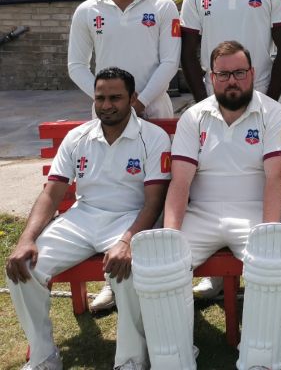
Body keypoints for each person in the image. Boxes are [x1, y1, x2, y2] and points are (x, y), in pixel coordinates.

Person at [131, 40, 281, 370]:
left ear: (251, 74)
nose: (231, 81)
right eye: (223, 74)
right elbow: (180, 183)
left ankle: (257, 359)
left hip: (253, 211)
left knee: (271, 259)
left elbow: (275, 177)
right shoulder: (194, 116)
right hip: (203, 213)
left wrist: (267, 232)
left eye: (239, 73)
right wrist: (171, 236)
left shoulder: (272, 113)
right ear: (210, 77)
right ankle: (175, 359)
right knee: (162, 262)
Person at [6, 67, 171, 370]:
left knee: (128, 269)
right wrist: (26, 239)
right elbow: (51, 194)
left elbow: (153, 202)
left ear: (133, 98)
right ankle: (44, 357)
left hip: (129, 219)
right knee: (22, 266)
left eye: (116, 98)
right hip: (82, 218)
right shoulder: (77, 137)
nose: (107, 105)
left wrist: (127, 241)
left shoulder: (153, 137)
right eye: (101, 98)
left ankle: (132, 359)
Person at [180, 0, 281, 298]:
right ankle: (215, 277)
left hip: (259, 104)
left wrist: (272, 99)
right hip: (215, 103)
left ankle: (266, 263)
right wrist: (204, 102)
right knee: (214, 181)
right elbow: (188, 52)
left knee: (258, 179)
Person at [67, 0, 181, 312]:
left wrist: (141, 101)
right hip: (108, 119)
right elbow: (76, 66)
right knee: (114, 192)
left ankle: (155, 274)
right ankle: (113, 282)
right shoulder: (88, 11)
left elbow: (170, 60)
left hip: (155, 114)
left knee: (152, 195)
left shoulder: (163, 7)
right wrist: (109, 102)